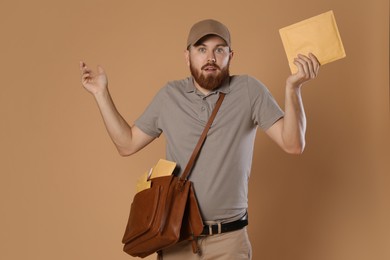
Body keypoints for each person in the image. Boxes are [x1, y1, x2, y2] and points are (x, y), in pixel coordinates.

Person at [80, 19, 320, 260]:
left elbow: (293, 144)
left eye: (219, 49)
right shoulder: (169, 96)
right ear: (188, 56)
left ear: (230, 55)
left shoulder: (249, 90)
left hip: (230, 241)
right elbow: (127, 144)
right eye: (202, 49)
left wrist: (293, 89)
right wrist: (101, 94)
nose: (211, 57)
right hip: (177, 238)